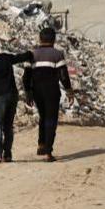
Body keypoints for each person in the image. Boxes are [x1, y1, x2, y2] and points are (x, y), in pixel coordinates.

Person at [22, 27, 74, 162]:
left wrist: (28, 93)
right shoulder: (57, 54)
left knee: (43, 117)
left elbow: (26, 76)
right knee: (51, 119)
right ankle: (48, 152)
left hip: (37, 91)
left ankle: (41, 144)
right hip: (52, 91)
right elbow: (63, 75)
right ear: (54, 40)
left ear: (40, 39)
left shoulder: (31, 54)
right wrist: (69, 91)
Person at [0, 36, 32, 163]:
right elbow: (19, 57)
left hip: (0, 97)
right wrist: (30, 54)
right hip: (13, 96)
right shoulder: (6, 58)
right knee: (8, 126)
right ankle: (7, 155)